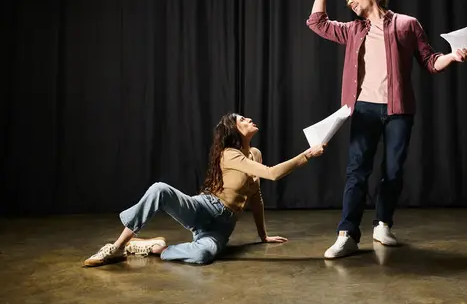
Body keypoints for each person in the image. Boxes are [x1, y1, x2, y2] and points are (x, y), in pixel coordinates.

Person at [305, 0, 467, 259]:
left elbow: (430, 61)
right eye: (347, 0)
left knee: (393, 171)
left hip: (398, 111)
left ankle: (383, 225)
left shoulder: (407, 24)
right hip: (363, 111)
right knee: (357, 171)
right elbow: (318, 23)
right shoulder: (353, 29)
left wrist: (453, 56)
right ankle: (347, 234)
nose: (351, 3)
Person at [83, 113, 326, 267]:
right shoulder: (229, 154)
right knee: (160, 189)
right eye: (242, 119)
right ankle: (117, 247)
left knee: (203, 256)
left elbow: (256, 196)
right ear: (233, 130)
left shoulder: (255, 154)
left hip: (223, 226)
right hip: (205, 208)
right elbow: (273, 174)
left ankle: (155, 247)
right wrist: (307, 155)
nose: (249, 119)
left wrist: (263, 236)